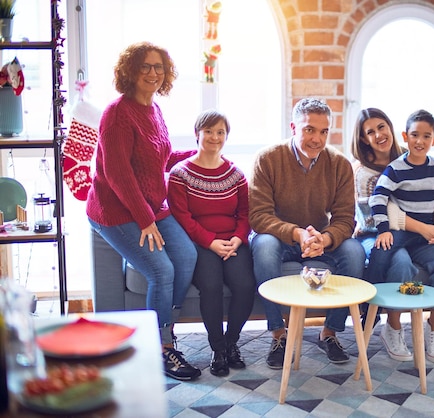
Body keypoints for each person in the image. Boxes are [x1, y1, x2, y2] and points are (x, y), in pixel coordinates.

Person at [86, 42, 200, 381]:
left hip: (151, 205)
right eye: (145, 66)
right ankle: (162, 347)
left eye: (159, 67)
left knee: (187, 257)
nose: (153, 73)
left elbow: (160, 158)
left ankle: (164, 326)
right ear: (130, 72)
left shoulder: (154, 109)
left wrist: (199, 152)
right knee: (162, 271)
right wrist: (146, 221)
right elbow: (118, 175)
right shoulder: (117, 114)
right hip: (117, 211)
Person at [249, 97, 366, 369]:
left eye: (324, 131)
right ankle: (278, 333)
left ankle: (331, 332)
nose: (317, 139)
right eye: (309, 130)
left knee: (354, 252)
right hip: (279, 237)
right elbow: (258, 216)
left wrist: (324, 239)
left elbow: (345, 219)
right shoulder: (268, 158)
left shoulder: (339, 164)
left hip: (319, 238)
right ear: (293, 127)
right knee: (264, 247)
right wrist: (296, 233)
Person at [368, 109, 434, 363]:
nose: (419, 141)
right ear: (405, 137)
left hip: (427, 235)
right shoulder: (395, 169)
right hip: (403, 232)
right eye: (414, 135)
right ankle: (391, 327)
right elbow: (378, 199)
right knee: (389, 257)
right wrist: (384, 229)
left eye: (426, 136)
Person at [351, 107, 434, 362]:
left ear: (392, 129)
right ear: (363, 139)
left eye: (381, 127)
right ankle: (391, 325)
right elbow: (377, 216)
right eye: (370, 132)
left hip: (408, 234)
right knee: (401, 261)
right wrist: (424, 228)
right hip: (373, 233)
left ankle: (427, 329)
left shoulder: (410, 158)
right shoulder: (364, 173)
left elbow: (433, 192)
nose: (379, 135)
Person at [168, 110, 255, 377]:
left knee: (245, 285)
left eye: (220, 132)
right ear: (197, 134)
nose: (214, 137)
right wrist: (211, 242)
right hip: (201, 243)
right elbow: (182, 217)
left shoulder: (236, 175)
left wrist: (238, 239)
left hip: (233, 241)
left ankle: (231, 343)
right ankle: (217, 349)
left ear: (226, 137)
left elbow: (245, 214)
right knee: (212, 287)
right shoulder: (180, 174)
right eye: (208, 131)